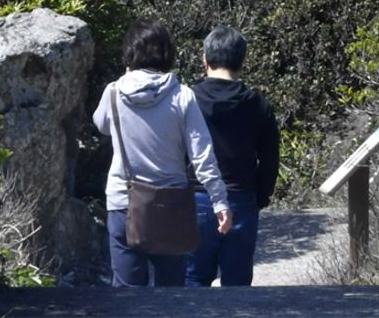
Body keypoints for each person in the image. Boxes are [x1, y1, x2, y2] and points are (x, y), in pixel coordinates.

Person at [93, 18, 232, 287]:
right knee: (171, 295)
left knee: (126, 296)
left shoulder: (113, 92)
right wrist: (220, 201)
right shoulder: (183, 95)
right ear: (167, 53)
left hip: (124, 203)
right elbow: (202, 157)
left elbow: (102, 125)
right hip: (172, 205)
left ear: (129, 53)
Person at [186, 23, 280, 287]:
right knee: (237, 289)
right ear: (242, 61)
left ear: (205, 58)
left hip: (196, 198)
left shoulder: (188, 99)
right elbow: (270, 160)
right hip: (241, 199)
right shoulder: (257, 104)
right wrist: (259, 197)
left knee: (192, 282)